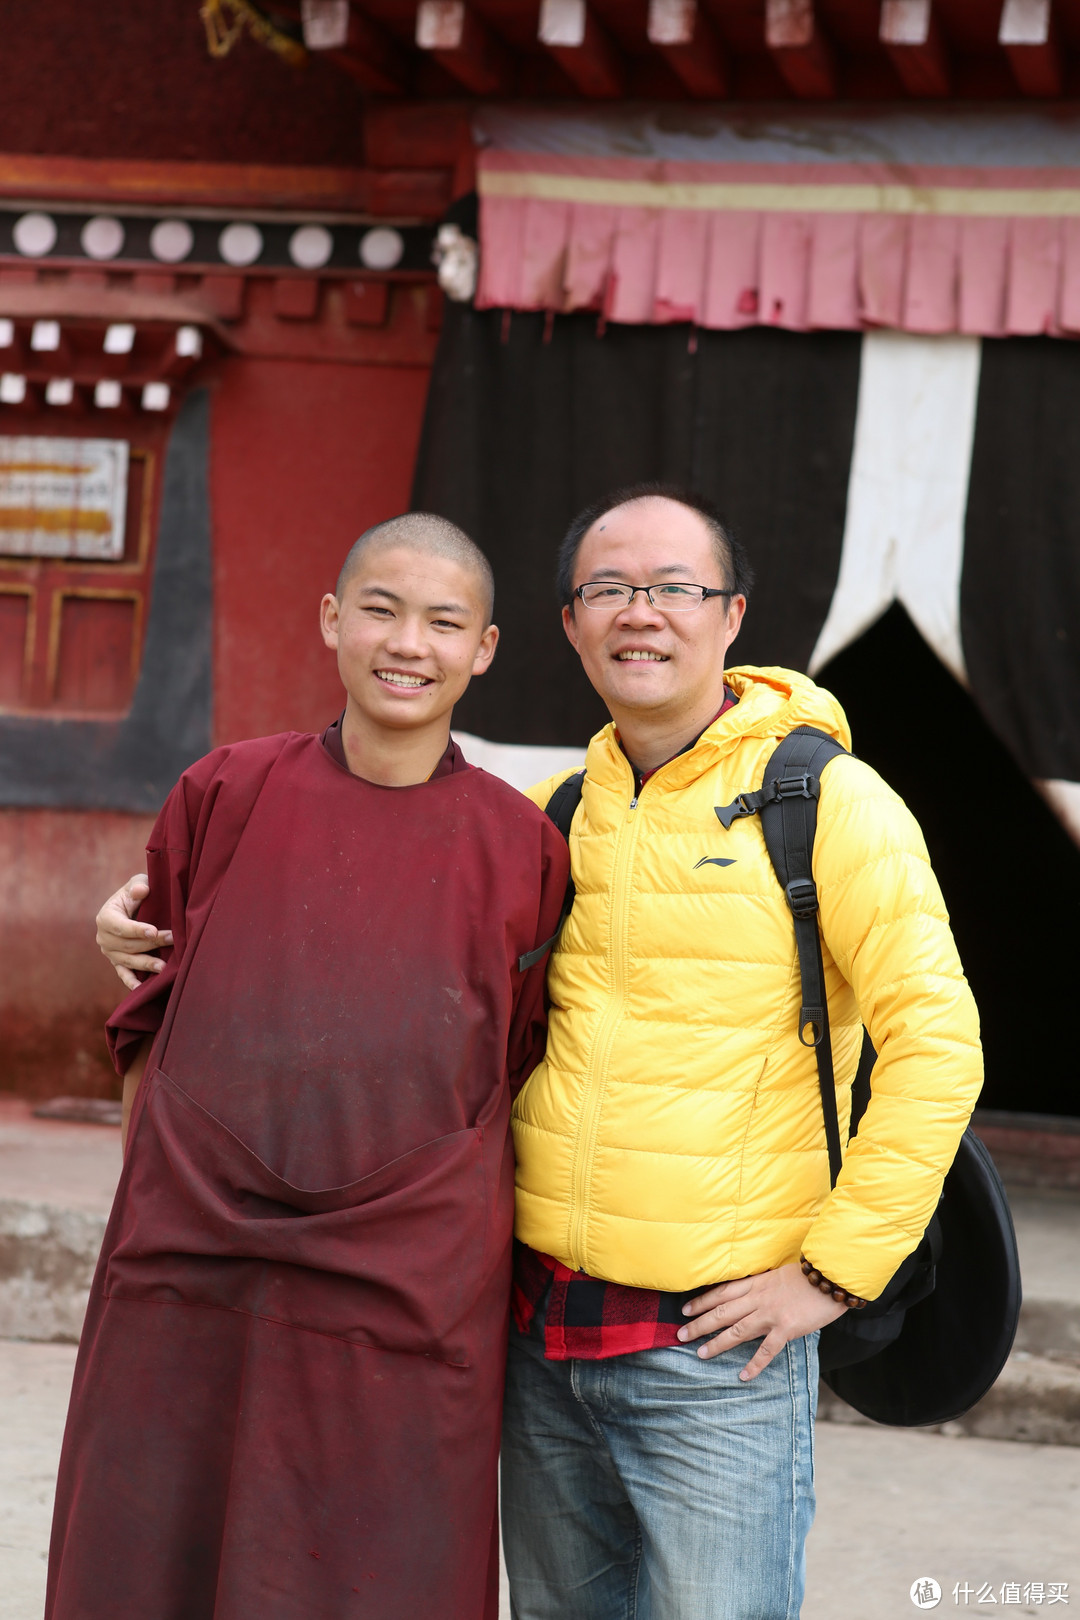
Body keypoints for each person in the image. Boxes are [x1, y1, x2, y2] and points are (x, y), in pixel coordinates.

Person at [97, 486, 983, 1620]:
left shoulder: (828, 803)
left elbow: (937, 1040)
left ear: (732, 615)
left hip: (716, 1356)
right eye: (608, 590)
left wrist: (830, 1275)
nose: (640, 615)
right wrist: (134, 924)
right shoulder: (553, 815)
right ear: (568, 626)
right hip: (542, 1341)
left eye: (675, 590)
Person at [49, 513, 569, 1620]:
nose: (407, 644)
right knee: (149, 1549)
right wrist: (165, 1192)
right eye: (381, 609)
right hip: (193, 1254)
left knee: (375, 1569)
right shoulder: (226, 791)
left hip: (407, 1278)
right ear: (333, 619)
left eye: (443, 622)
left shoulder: (522, 844)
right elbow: (156, 1008)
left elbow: (512, 1052)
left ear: (483, 649)